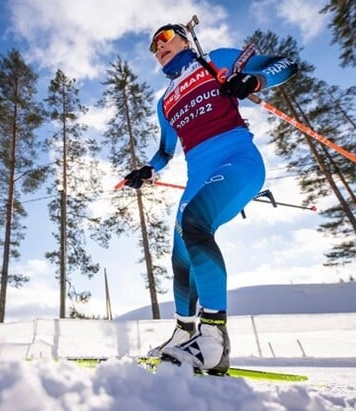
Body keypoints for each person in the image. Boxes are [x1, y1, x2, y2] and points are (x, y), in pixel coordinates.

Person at [122, 23, 297, 374]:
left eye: (166, 38)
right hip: (196, 178)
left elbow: (284, 64)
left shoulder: (215, 61)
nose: (159, 47)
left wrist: (253, 81)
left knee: (195, 224)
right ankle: (182, 335)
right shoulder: (166, 102)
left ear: (186, 40)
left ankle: (214, 341)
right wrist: (146, 170)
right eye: (154, 46)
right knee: (180, 258)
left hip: (237, 162)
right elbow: (164, 152)